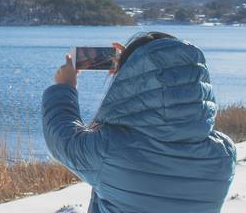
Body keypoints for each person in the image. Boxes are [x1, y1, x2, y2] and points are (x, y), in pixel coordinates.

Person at [42, 32, 236, 213]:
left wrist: (65, 86)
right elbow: (183, 112)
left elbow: (61, 137)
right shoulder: (223, 154)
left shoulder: (110, 150)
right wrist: (135, 69)